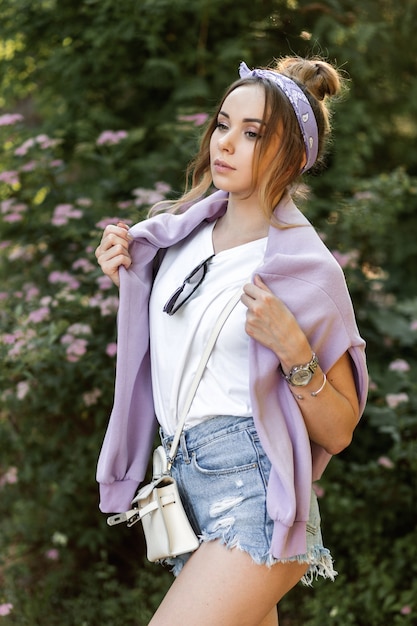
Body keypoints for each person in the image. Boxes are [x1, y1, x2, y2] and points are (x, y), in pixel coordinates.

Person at [95, 56, 368, 626]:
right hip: (183, 484)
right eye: (223, 124)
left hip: (254, 493)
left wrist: (294, 348)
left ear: (293, 157)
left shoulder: (306, 272)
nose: (226, 143)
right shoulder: (178, 234)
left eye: (253, 134)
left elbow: (340, 430)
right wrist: (128, 273)